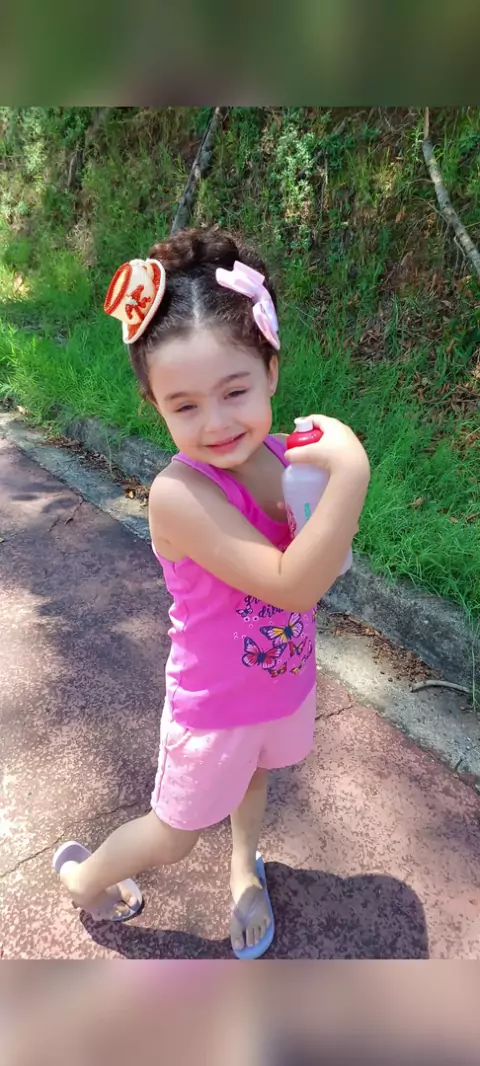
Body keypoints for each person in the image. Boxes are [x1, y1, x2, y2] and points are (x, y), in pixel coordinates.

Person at [53, 227, 370, 959]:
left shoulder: (287, 462)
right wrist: (350, 474)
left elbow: (331, 558)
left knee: (257, 778)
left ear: (271, 370)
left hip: (280, 683)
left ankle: (244, 870)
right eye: (185, 405)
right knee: (174, 835)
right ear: (154, 404)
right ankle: (83, 878)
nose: (218, 423)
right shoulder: (179, 494)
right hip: (213, 707)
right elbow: (294, 584)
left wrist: (323, 496)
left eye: (235, 391)